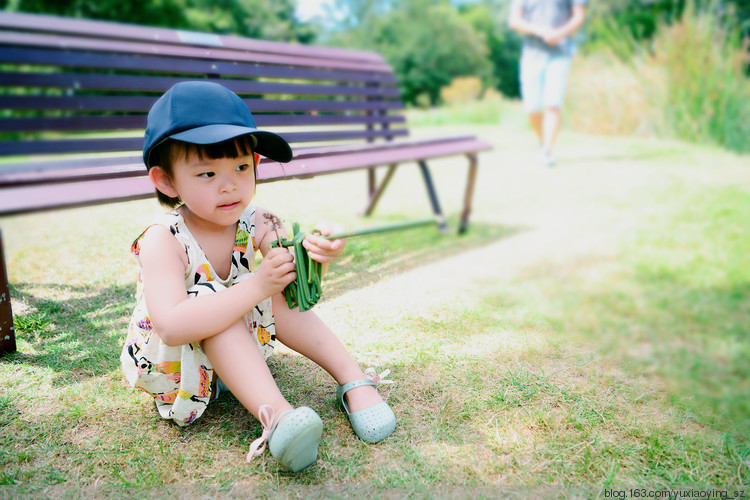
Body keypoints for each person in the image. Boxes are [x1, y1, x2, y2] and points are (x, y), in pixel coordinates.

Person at [120, 81, 396, 472]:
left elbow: (292, 269)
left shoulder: (260, 219)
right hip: (181, 371)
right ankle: (279, 419)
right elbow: (172, 326)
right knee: (213, 305)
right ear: (166, 181)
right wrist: (258, 285)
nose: (230, 183)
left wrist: (321, 252)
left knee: (274, 290)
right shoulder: (162, 239)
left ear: (256, 165)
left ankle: (354, 380)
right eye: (206, 173)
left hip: (242, 356)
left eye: (241, 167)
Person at [509, 0, 586, 166]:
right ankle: (544, 143)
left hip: (560, 53)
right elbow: (514, 21)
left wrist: (559, 33)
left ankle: (547, 151)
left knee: (552, 104)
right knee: (532, 108)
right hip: (531, 54)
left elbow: (578, 15)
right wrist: (539, 30)